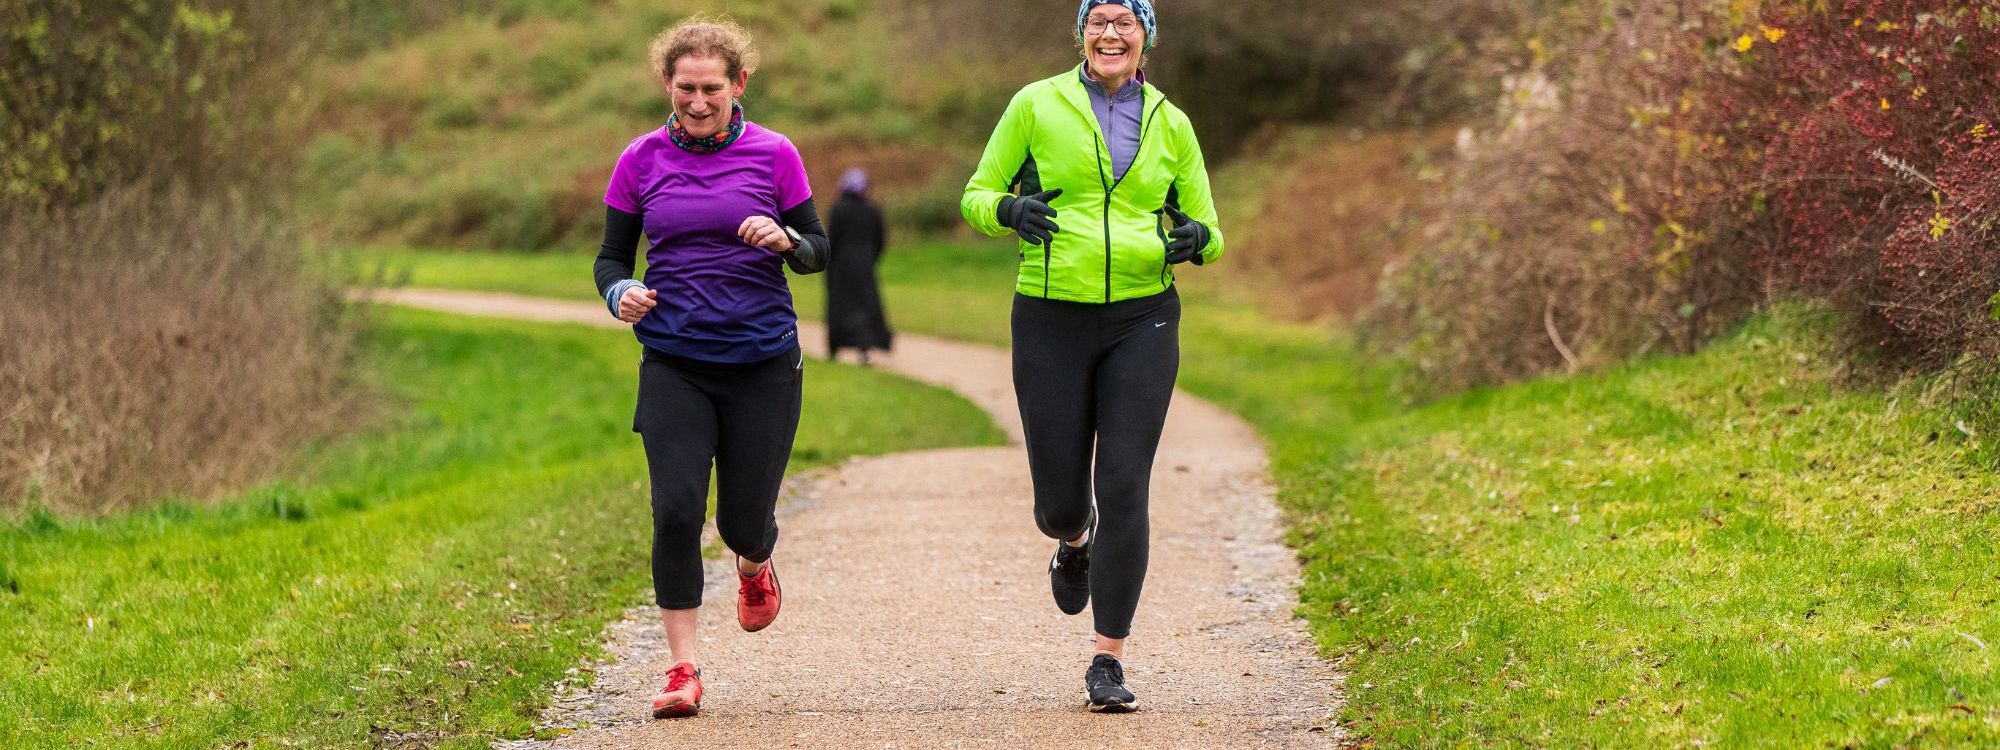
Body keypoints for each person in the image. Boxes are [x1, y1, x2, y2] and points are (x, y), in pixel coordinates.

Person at [959, 0, 1223, 714]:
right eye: (1098, 19)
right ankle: (1073, 540)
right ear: (1081, 34)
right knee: (1058, 502)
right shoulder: (1034, 105)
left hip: (1145, 317)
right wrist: (1009, 212)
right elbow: (977, 194)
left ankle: (1108, 658)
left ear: (1146, 37)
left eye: (1125, 21)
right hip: (1050, 315)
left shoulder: (1172, 122)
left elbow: (1209, 224)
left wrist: (1197, 238)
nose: (1112, 33)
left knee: (1127, 483)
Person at [591, 15, 829, 720]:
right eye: (685, 88)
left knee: (742, 524)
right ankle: (682, 668)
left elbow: (818, 249)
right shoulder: (639, 160)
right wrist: (619, 292)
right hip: (673, 360)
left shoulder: (774, 153)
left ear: (739, 84)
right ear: (667, 83)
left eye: (712, 89)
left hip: (761, 362)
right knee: (673, 512)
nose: (698, 103)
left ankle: (755, 565)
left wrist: (786, 240)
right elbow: (611, 256)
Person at [824, 168, 893, 364]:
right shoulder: (872, 210)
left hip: (839, 267)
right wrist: (870, 259)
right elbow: (880, 241)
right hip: (865, 266)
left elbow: (832, 239)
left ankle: (834, 348)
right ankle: (865, 348)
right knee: (864, 307)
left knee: (838, 306)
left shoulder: (838, 209)